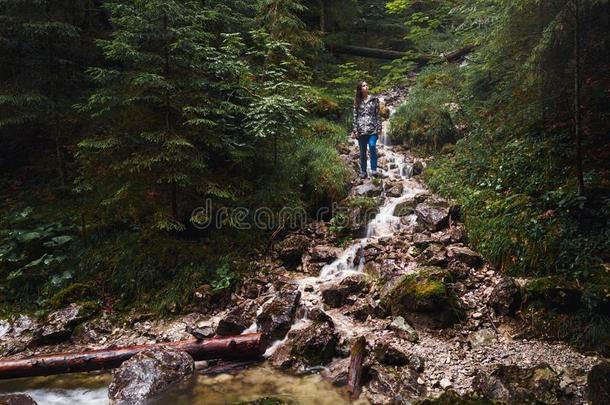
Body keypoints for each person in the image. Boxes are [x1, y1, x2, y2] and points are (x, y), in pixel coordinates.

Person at [351, 81, 382, 179]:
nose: (366, 87)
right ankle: (363, 171)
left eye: (366, 85)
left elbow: (378, 114)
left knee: (372, 146)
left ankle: (374, 170)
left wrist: (379, 127)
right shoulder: (357, 101)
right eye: (364, 86)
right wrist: (355, 130)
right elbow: (355, 116)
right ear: (360, 89)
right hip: (361, 131)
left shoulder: (374, 100)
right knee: (362, 151)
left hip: (372, 129)